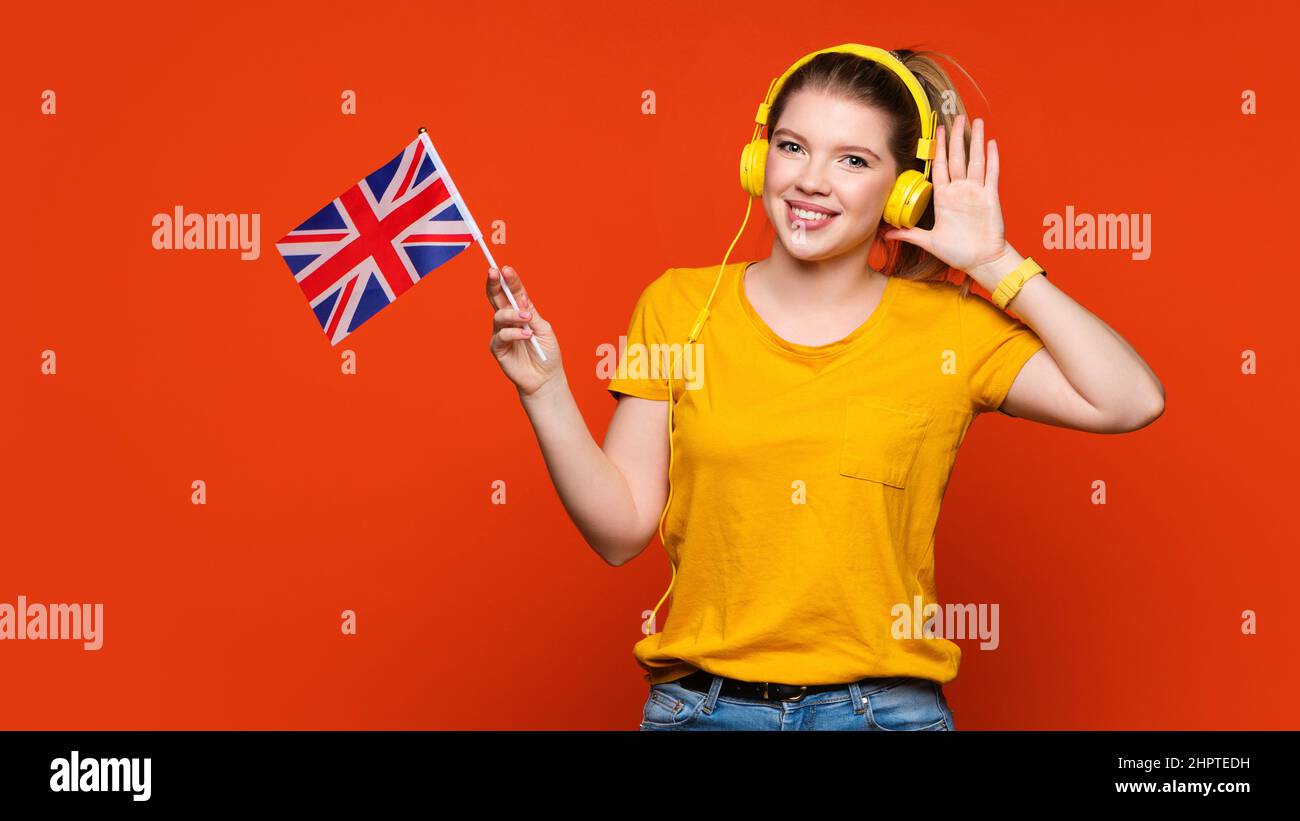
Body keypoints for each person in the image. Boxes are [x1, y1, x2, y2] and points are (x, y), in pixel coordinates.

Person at [484, 45, 1165, 731]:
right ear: (760, 160)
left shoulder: (949, 328)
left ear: (904, 190)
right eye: (792, 146)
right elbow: (620, 529)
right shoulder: (679, 303)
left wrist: (996, 261)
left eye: (853, 160)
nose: (812, 180)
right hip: (702, 711)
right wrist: (546, 392)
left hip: (885, 715)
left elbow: (1130, 398)